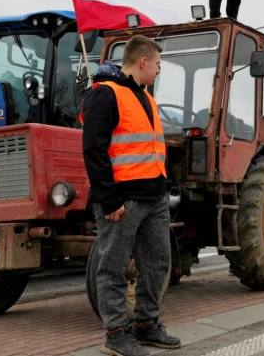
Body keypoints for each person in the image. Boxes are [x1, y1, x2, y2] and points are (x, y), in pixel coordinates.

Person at [82, 36, 180, 356]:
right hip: (122, 201)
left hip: (154, 197)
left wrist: (163, 189)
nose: (158, 71)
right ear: (143, 62)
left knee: (157, 263)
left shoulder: (145, 97)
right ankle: (115, 333)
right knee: (113, 266)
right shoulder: (105, 94)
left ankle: (146, 324)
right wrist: (108, 199)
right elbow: (93, 150)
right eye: (158, 65)